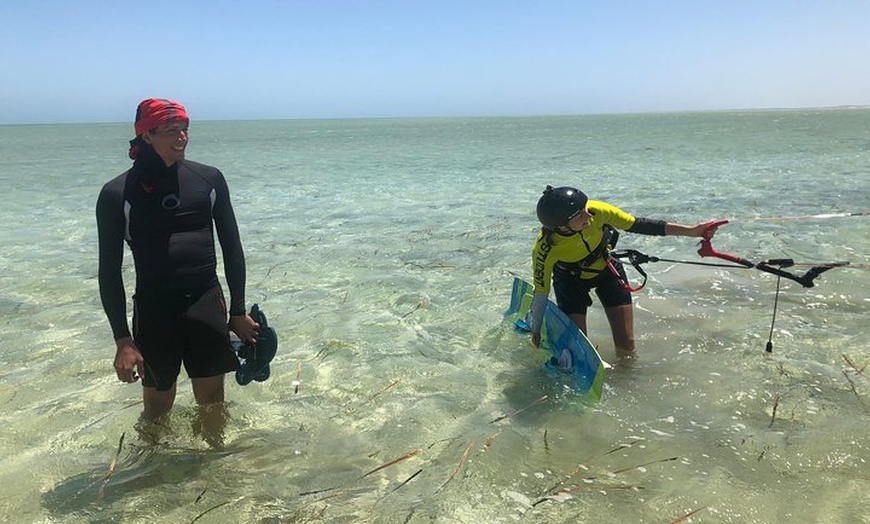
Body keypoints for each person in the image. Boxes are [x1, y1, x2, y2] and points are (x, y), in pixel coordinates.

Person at [96, 98, 258, 446]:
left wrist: (238, 311)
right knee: (157, 405)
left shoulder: (209, 180)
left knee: (213, 400)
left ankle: (215, 466)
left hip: (205, 303)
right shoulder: (116, 194)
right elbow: (109, 272)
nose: (182, 137)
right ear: (147, 135)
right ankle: (151, 475)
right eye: (172, 131)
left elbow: (232, 248)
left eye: (185, 129)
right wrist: (122, 340)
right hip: (155, 311)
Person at [529, 185, 719, 359]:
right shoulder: (545, 249)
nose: (588, 215)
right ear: (561, 225)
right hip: (570, 282)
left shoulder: (598, 211)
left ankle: (627, 380)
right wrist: (535, 329)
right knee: (579, 351)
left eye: (585, 208)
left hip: (607, 269)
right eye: (580, 215)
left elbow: (639, 224)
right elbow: (541, 291)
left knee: (626, 347)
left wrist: (693, 231)